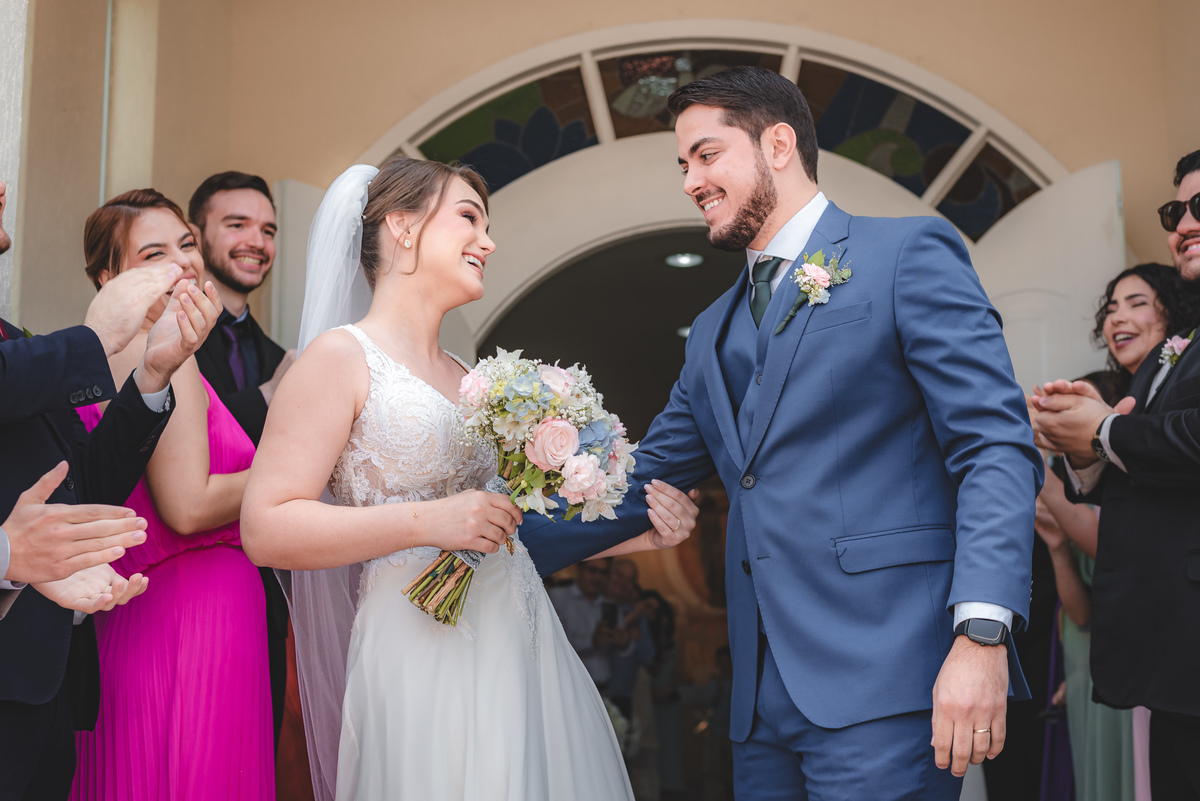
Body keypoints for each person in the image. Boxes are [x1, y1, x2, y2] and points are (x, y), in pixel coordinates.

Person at [518, 66, 1043, 801]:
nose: (689, 181)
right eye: (682, 165)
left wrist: (981, 634)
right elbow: (638, 484)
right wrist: (480, 533)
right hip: (760, 707)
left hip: (888, 683)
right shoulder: (710, 333)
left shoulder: (905, 256)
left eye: (706, 155)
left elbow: (995, 447)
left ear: (779, 143)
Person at [239, 156, 701, 801]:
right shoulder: (339, 358)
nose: (487, 241)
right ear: (402, 227)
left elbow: (507, 526)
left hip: (520, 640)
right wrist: (427, 521)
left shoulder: (472, 376)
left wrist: (635, 538)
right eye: (469, 218)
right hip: (417, 647)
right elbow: (266, 525)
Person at [0, 175, 217, 801]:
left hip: (47, 679)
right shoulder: (33, 359)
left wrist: (153, 373)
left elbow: (86, 484)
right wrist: (95, 341)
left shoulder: (17, 340)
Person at [69, 189, 274, 801]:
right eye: (154, 253)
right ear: (108, 277)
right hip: (192, 615)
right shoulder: (158, 351)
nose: (183, 262)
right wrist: (304, 474)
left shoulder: (104, 356)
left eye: (186, 245)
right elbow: (189, 506)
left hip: (152, 610)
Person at [1033, 151, 1200, 800]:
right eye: (1175, 210)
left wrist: (1102, 428)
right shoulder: (1171, 354)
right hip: (1168, 648)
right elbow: (1145, 478)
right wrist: (1081, 444)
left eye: (1199, 207)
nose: (1185, 222)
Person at [188, 171, 293, 745]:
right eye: (237, 225)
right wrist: (268, 399)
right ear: (196, 232)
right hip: (180, 588)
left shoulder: (281, 355)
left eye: (268, 229)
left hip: (266, 599)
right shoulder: (164, 338)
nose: (257, 240)